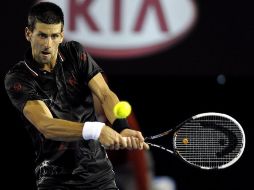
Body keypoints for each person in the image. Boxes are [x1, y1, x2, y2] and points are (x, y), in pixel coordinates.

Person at [4, 2, 149, 190]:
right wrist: (97, 130)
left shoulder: (75, 53)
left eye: (54, 36)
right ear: (28, 34)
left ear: (61, 36)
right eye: (42, 35)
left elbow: (104, 94)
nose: (48, 44)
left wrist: (122, 126)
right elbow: (46, 125)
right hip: (55, 180)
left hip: (99, 176)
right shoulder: (18, 77)